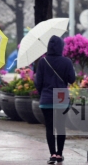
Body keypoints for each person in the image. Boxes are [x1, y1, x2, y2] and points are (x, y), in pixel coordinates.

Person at [34, 35, 76, 164]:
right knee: (61, 126)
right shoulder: (66, 61)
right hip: (61, 96)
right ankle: (59, 154)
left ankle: (52, 154)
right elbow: (72, 79)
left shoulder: (43, 61)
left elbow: (38, 82)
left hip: (46, 97)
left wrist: (43, 93)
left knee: (50, 127)